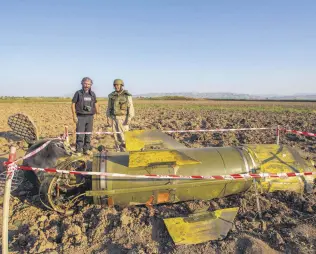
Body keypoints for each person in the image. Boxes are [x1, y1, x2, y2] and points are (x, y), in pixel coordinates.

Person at [71, 77, 99, 155]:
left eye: (89, 84)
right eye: (85, 83)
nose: (87, 85)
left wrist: (97, 113)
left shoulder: (92, 94)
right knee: (80, 134)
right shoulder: (78, 93)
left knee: (88, 134)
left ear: (91, 85)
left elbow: (96, 103)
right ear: (82, 83)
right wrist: (74, 115)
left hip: (90, 117)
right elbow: (73, 104)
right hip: (80, 116)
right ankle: (79, 150)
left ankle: (86, 149)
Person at [106, 79, 135, 151]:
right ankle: (118, 150)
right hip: (114, 118)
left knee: (123, 136)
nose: (116, 86)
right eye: (115, 85)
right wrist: (108, 118)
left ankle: (125, 151)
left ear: (121, 85)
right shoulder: (112, 96)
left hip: (123, 118)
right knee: (116, 136)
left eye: (118, 85)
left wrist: (129, 118)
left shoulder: (127, 95)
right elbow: (109, 107)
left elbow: (130, 107)